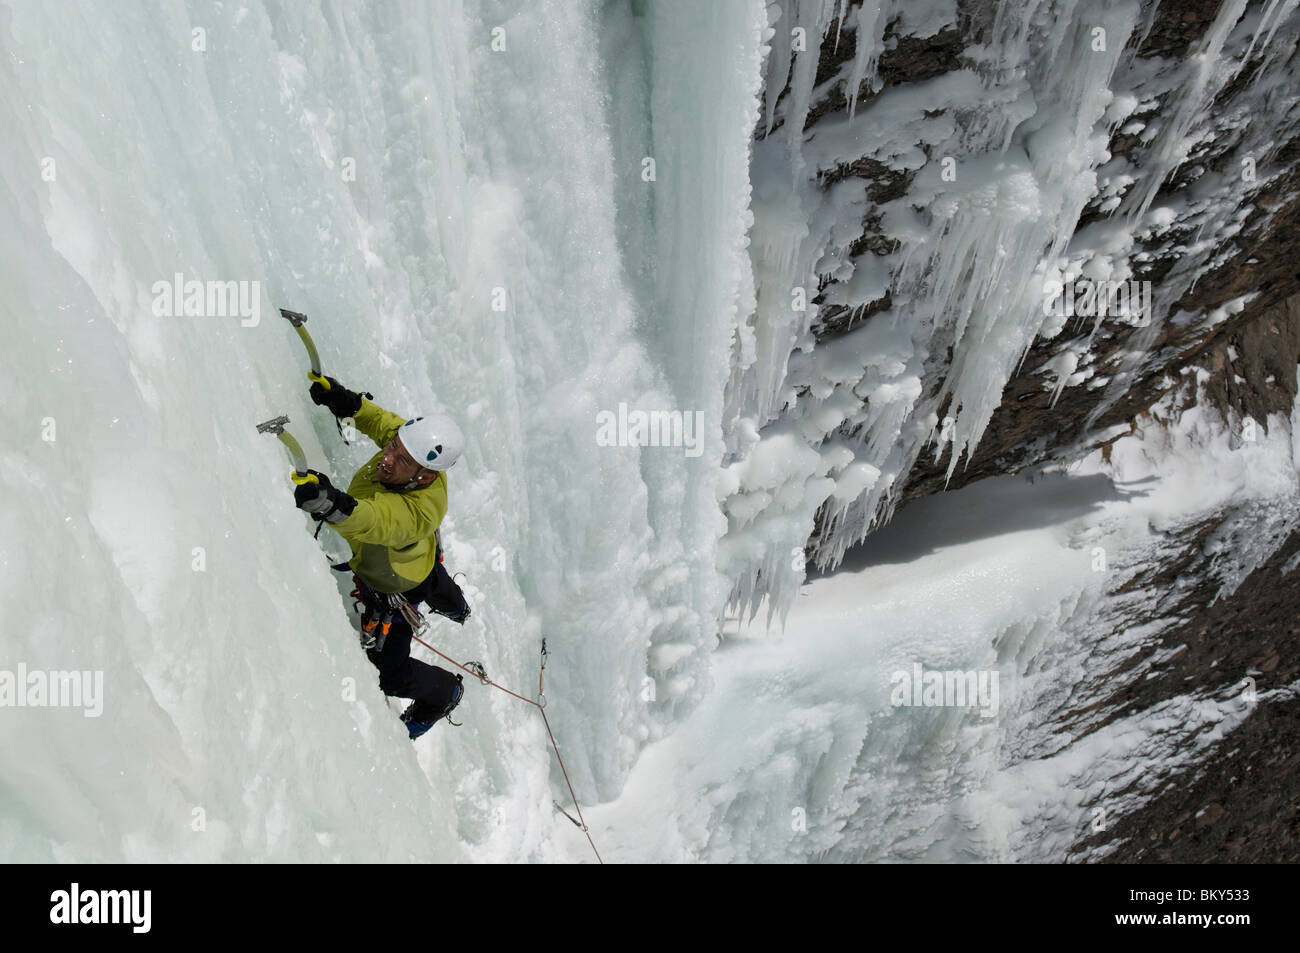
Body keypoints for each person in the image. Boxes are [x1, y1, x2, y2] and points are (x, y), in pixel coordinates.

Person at [292, 375, 471, 739]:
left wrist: (332, 505)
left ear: (425, 476)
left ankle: (445, 692)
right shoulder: (411, 451)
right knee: (435, 582)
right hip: (420, 563)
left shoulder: (419, 511)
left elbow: (374, 520)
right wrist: (348, 404)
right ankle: (457, 608)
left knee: (390, 675)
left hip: (397, 585)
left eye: (401, 460)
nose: (387, 458)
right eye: (392, 447)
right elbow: (385, 423)